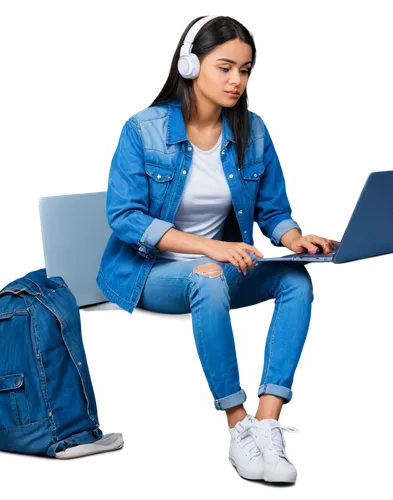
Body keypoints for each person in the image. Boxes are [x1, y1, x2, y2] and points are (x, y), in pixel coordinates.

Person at [97, 13, 339, 486]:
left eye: (245, 71)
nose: (237, 81)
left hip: (221, 263)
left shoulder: (253, 131)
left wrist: (294, 239)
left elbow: (273, 211)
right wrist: (215, 249)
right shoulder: (142, 130)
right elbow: (126, 219)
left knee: (296, 277)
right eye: (225, 67)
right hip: (148, 273)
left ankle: (269, 419)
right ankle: (236, 425)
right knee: (205, 279)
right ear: (191, 65)